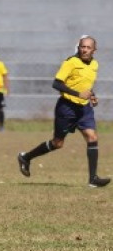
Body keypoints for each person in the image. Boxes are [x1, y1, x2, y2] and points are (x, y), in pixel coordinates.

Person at [17, 36, 110, 188]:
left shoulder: (95, 64)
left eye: (88, 47)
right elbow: (56, 84)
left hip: (84, 109)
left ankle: (93, 179)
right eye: (82, 47)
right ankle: (26, 157)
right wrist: (78, 94)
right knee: (57, 143)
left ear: (94, 50)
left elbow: (85, 85)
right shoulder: (70, 62)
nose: (84, 50)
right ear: (78, 48)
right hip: (67, 108)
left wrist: (92, 96)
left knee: (92, 137)